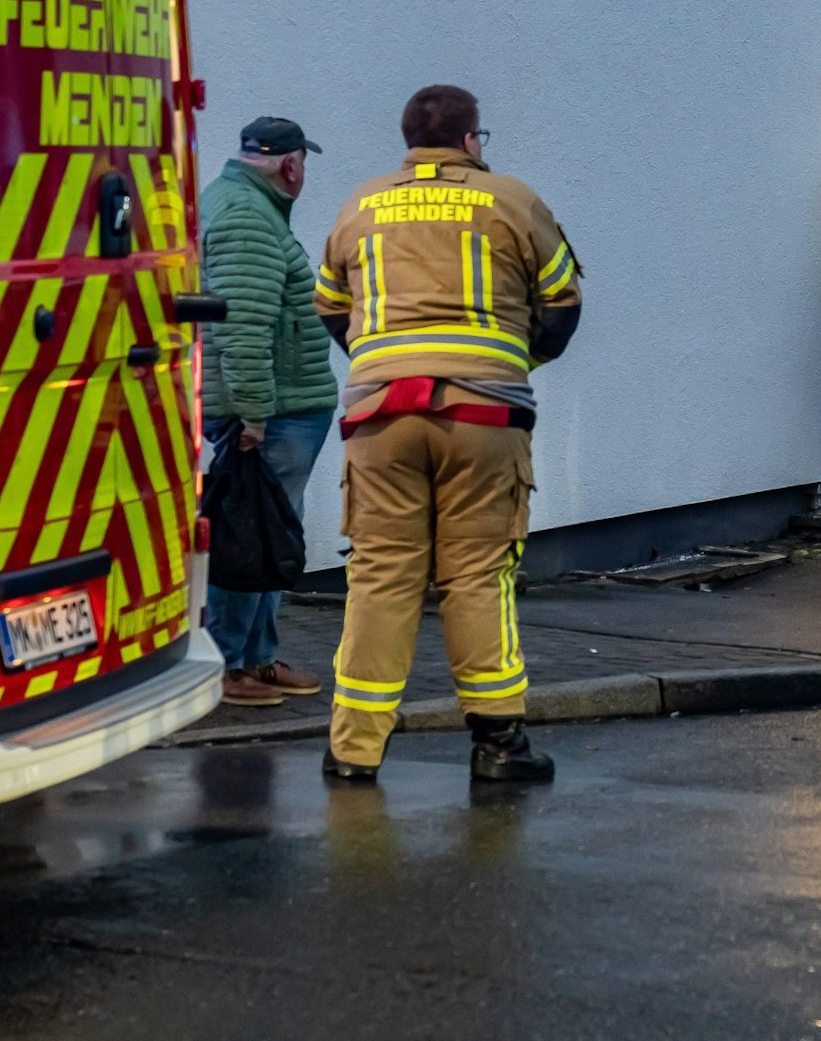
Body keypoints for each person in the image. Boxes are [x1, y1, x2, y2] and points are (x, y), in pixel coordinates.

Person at [313, 85, 582, 785]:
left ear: (409, 143)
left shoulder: (360, 205)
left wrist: (380, 365)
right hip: (483, 416)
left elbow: (329, 307)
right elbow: (562, 302)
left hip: (379, 417)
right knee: (476, 576)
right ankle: (498, 745)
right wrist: (515, 363)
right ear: (471, 140)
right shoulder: (512, 201)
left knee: (378, 576)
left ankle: (352, 751)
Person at [197, 117, 339, 707]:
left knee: (267, 535)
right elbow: (243, 329)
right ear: (290, 165)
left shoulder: (243, 207)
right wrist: (253, 414)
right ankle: (229, 665)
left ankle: (255, 658)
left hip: (281, 409)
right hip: (270, 413)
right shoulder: (247, 221)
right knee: (246, 539)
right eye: (303, 162)